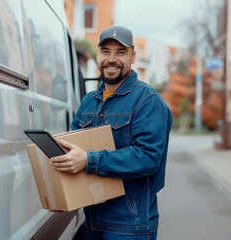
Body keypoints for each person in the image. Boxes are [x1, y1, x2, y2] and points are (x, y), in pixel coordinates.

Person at [50, 26, 172, 239]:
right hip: (94, 221)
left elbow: (148, 157)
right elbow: (73, 152)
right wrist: (63, 195)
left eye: (121, 52)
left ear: (133, 56)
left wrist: (90, 160)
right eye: (106, 51)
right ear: (98, 55)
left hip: (130, 225)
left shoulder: (147, 101)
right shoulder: (89, 101)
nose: (112, 59)